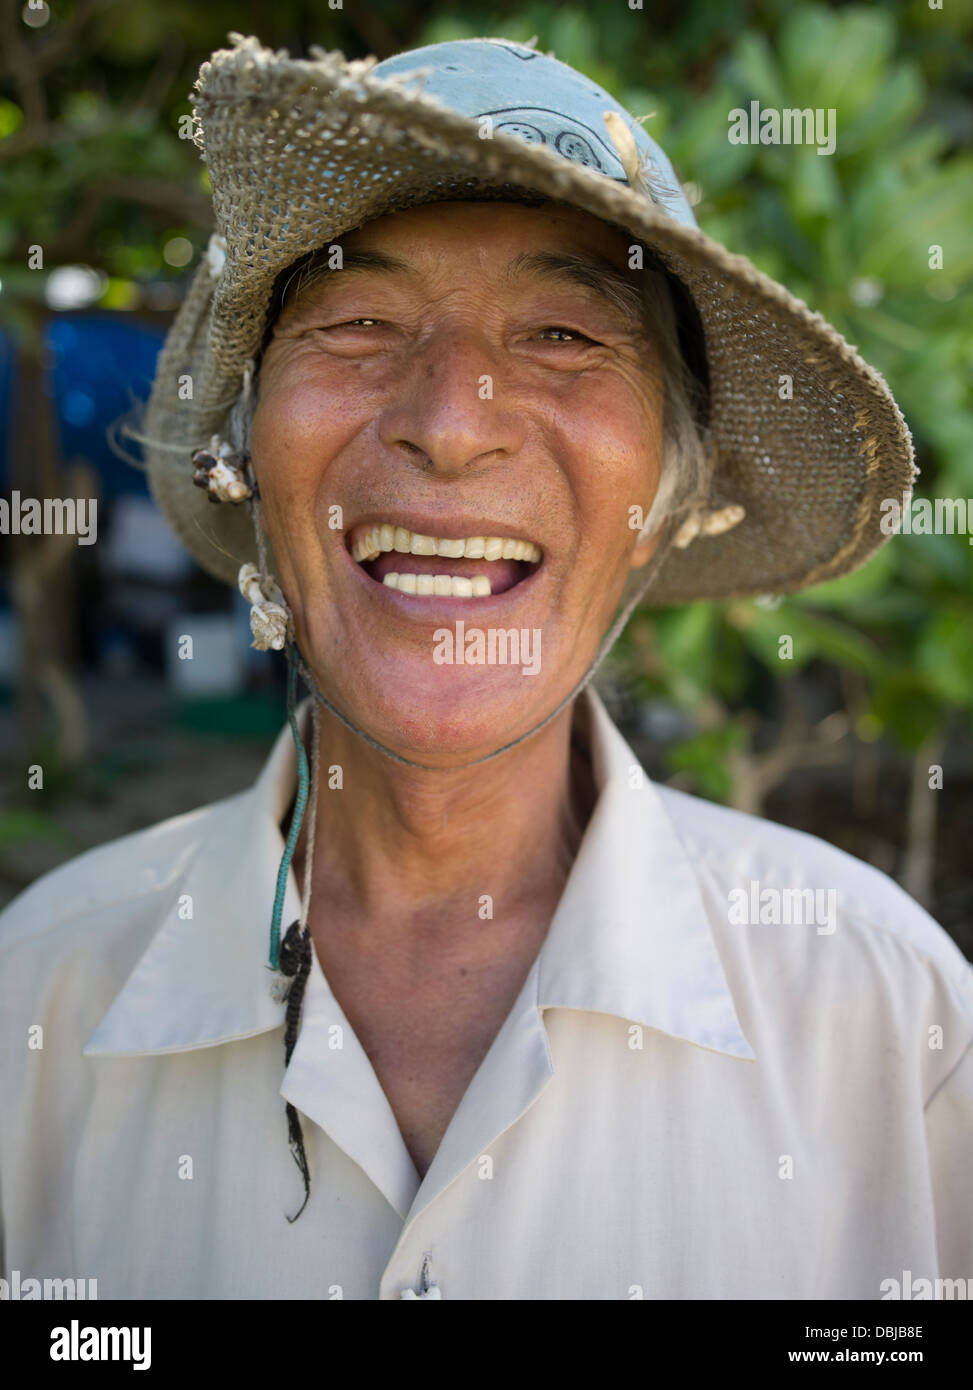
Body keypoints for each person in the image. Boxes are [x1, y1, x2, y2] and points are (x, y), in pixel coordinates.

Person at [1, 34, 969, 1302]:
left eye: (567, 332)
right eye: (357, 324)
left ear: (669, 496)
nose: (450, 421)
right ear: (247, 453)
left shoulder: (888, 1019)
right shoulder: (45, 996)